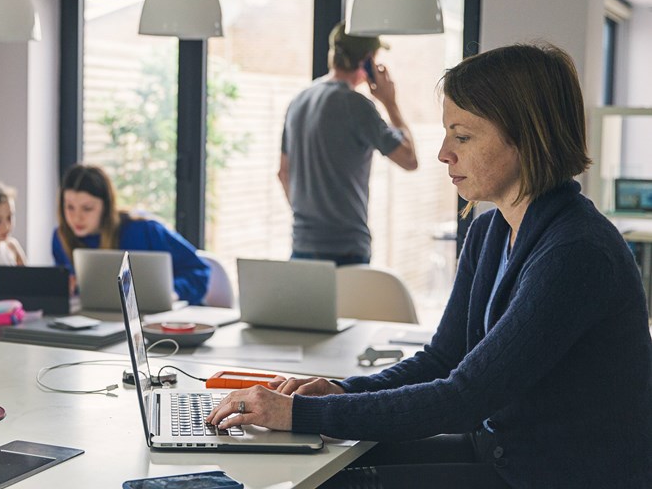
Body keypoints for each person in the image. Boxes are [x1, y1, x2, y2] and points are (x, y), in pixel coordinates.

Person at [208, 43, 652, 488]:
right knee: (324, 465)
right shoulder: (490, 232)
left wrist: (299, 413)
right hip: (503, 453)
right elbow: (444, 358)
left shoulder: (576, 252)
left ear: (526, 136)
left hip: (555, 476)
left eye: (462, 136)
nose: (443, 153)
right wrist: (342, 390)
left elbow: (464, 397)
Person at [279, 22, 418, 266]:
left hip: (301, 246)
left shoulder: (298, 101)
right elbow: (409, 159)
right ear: (367, 61)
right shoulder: (357, 105)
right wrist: (390, 102)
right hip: (346, 251)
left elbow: (283, 173)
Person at [52, 164, 211, 305]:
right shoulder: (61, 238)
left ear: (106, 207)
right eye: (69, 207)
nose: (77, 217)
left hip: (160, 321)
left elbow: (199, 271)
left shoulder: (144, 230)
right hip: (100, 321)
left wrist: (173, 292)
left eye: (87, 208)